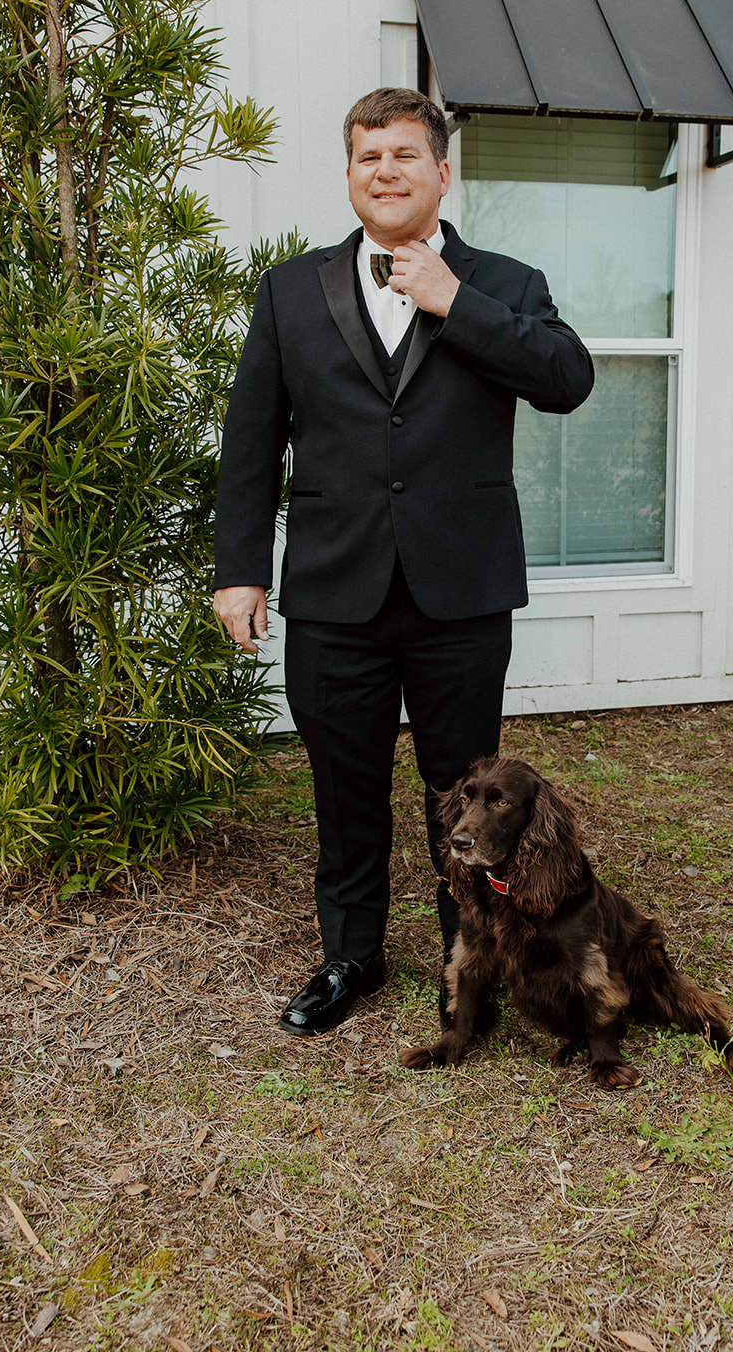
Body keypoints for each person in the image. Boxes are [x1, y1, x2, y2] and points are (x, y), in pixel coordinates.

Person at [212, 88, 593, 1035]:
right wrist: (240, 569)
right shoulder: (289, 290)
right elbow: (251, 439)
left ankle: (469, 957)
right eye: (367, 156)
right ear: (349, 174)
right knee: (344, 787)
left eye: (404, 155)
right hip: (336, 588)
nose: (385, 171)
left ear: (442, 172)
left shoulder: (503, 281)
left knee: (464, 795)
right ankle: (351, 958)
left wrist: (453, 302)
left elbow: (565, 380)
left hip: (458, 591)